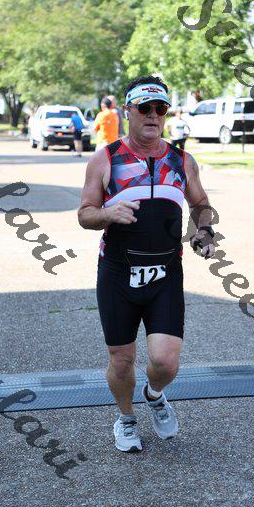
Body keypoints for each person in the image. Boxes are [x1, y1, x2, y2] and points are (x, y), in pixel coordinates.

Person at [78, 75, 216, 453]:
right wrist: (107, 213)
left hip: (166, 273)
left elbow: (201, 205)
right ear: (128, 111)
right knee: (122, 361)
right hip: (118, 274)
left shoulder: (181, 160)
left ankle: (154, 395)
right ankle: (126, 418)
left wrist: (204, 231)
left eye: (160, 109)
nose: (153, 115)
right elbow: (85, 213)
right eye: (145, 108)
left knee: (166, 363)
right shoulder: (105, 159)